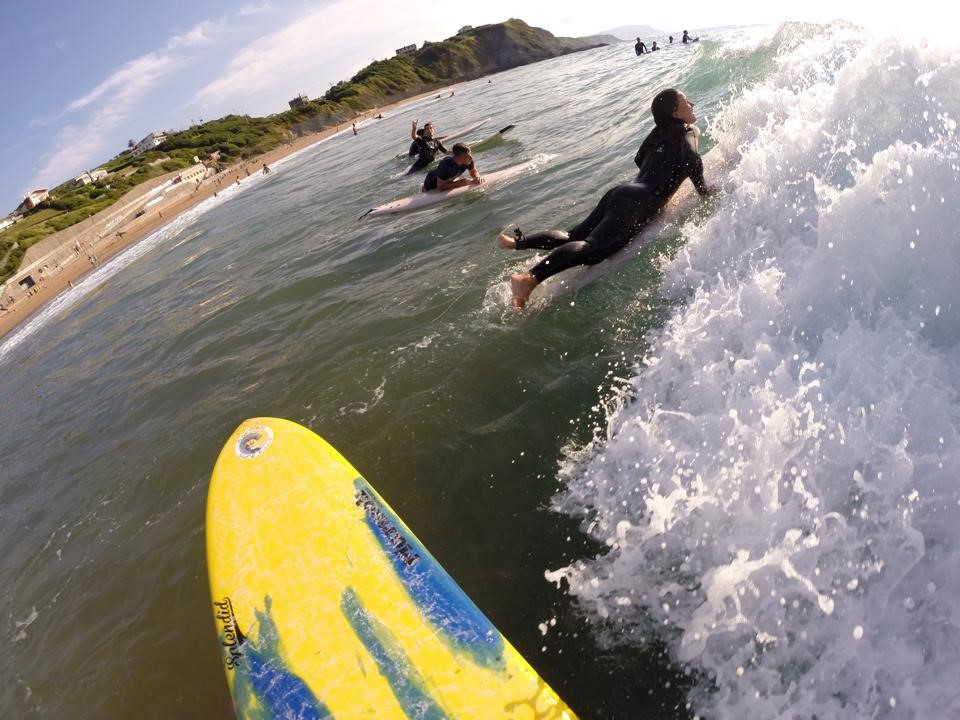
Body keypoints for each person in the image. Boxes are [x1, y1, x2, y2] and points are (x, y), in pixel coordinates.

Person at [499, 89, 716, 309]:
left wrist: (656, 176)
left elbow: (640, 159)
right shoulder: (688, 131)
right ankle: (529, 279)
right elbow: (692, 160)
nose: (692, 103)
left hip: (622, 192)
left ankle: (517, 243)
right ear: (676, 113)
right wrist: (702, 190)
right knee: (592, 249)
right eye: (686, 101)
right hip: (637, 201)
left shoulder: (657, 132)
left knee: (572, 235)